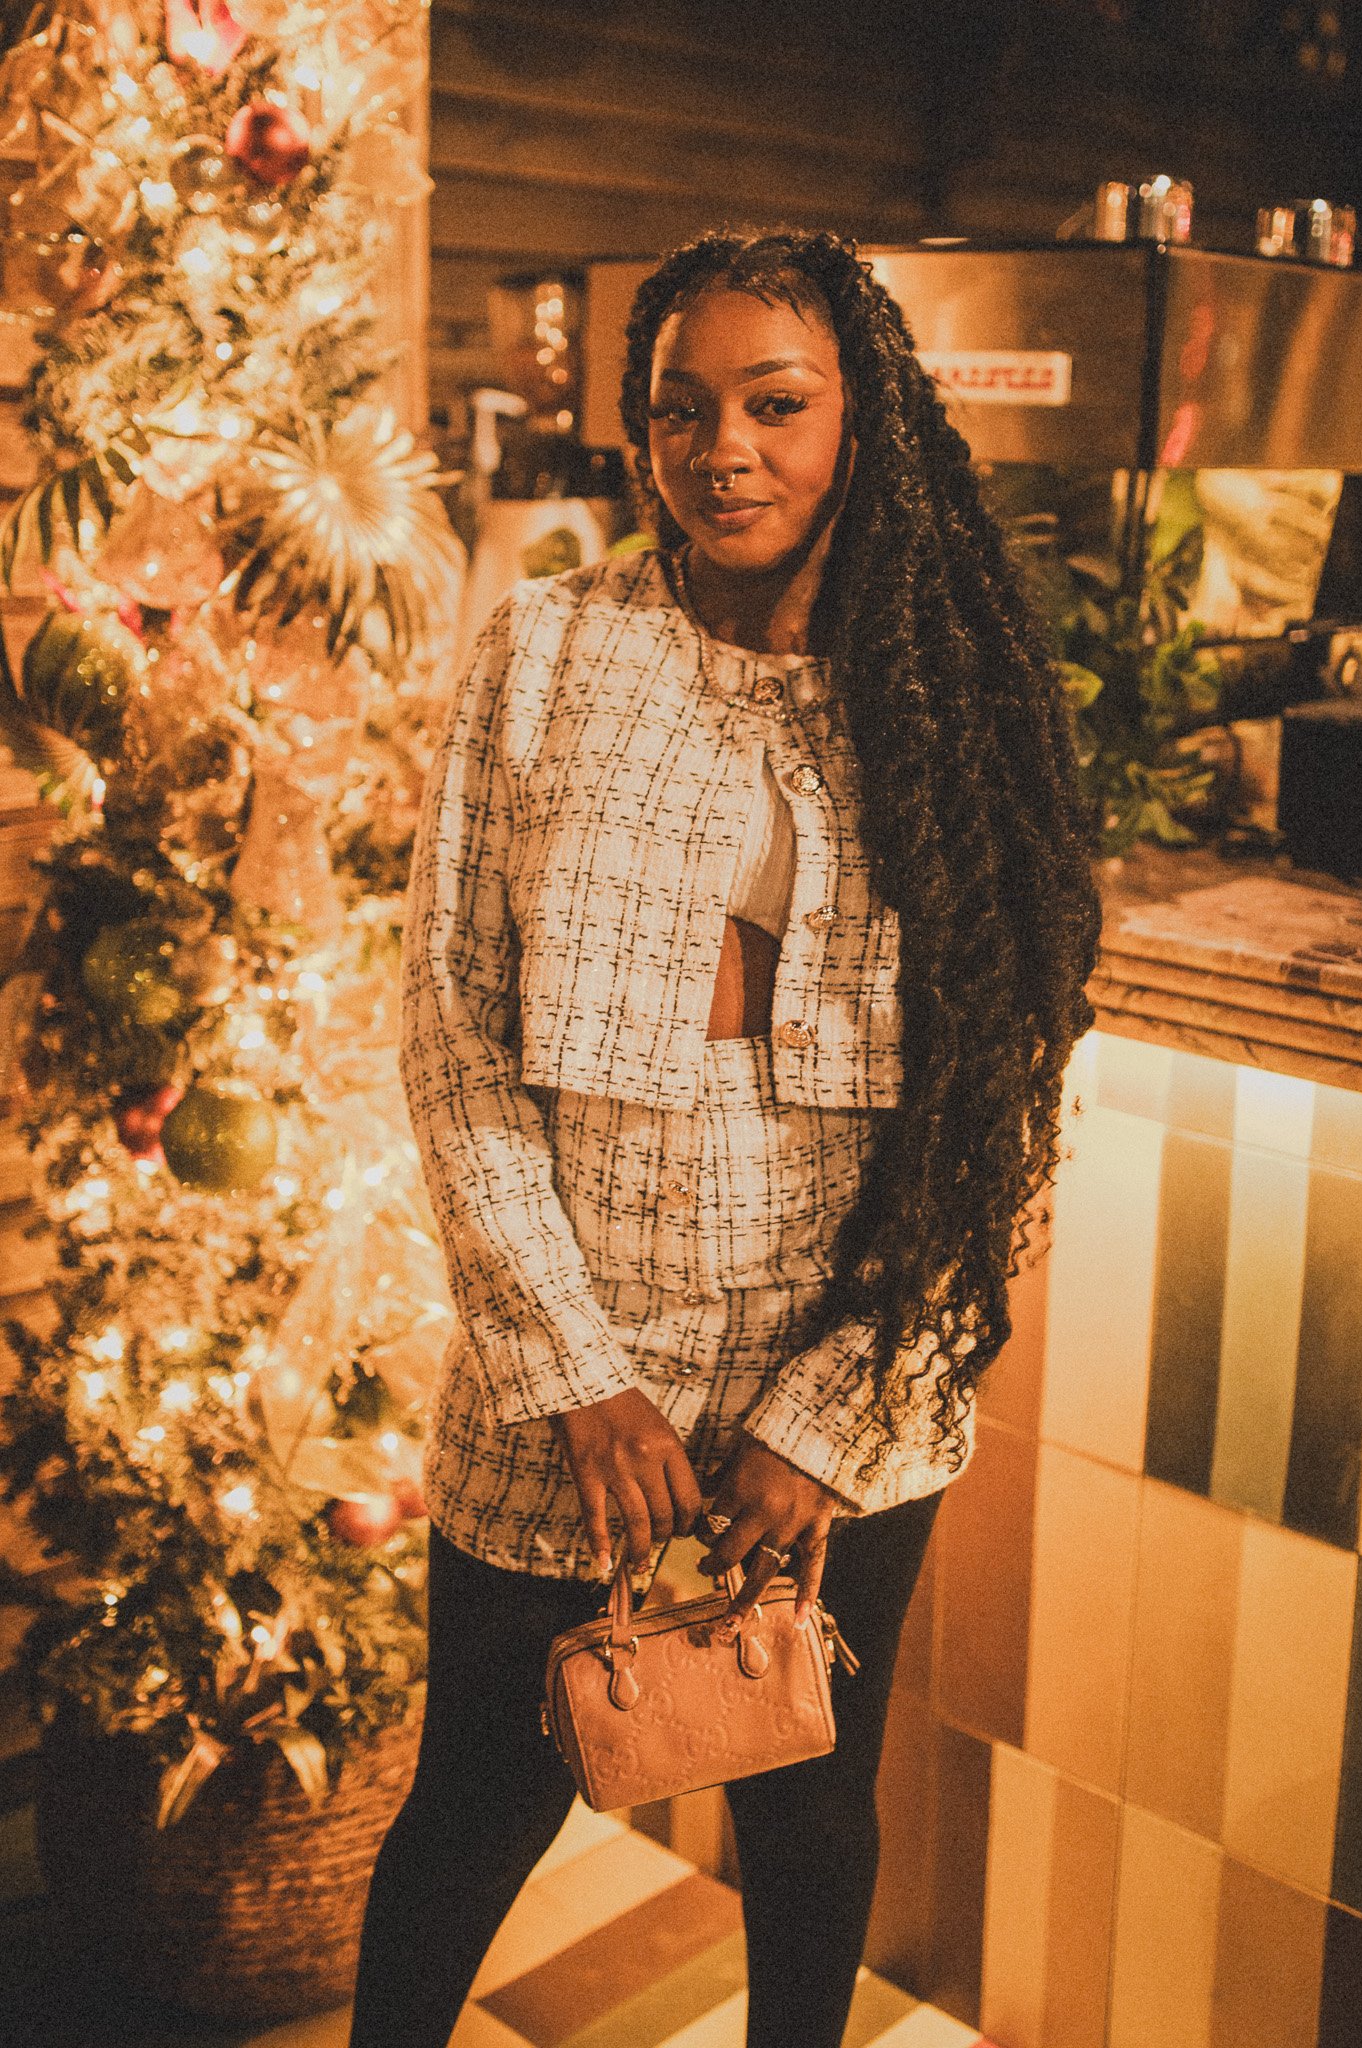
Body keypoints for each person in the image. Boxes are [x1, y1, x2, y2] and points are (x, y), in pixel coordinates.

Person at [349, 228, 1101, 2048]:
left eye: (776, 404)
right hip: (570, 1366)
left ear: (867, 418)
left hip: (843, 1357)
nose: (724, 451)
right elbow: (453, 1028)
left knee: (800, 1794)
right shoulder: (548, 648)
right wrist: (572, 1371)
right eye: (681, 410)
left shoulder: (954, 692)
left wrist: (839, 1414)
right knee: (474, 1802)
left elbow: (1006, 1098)